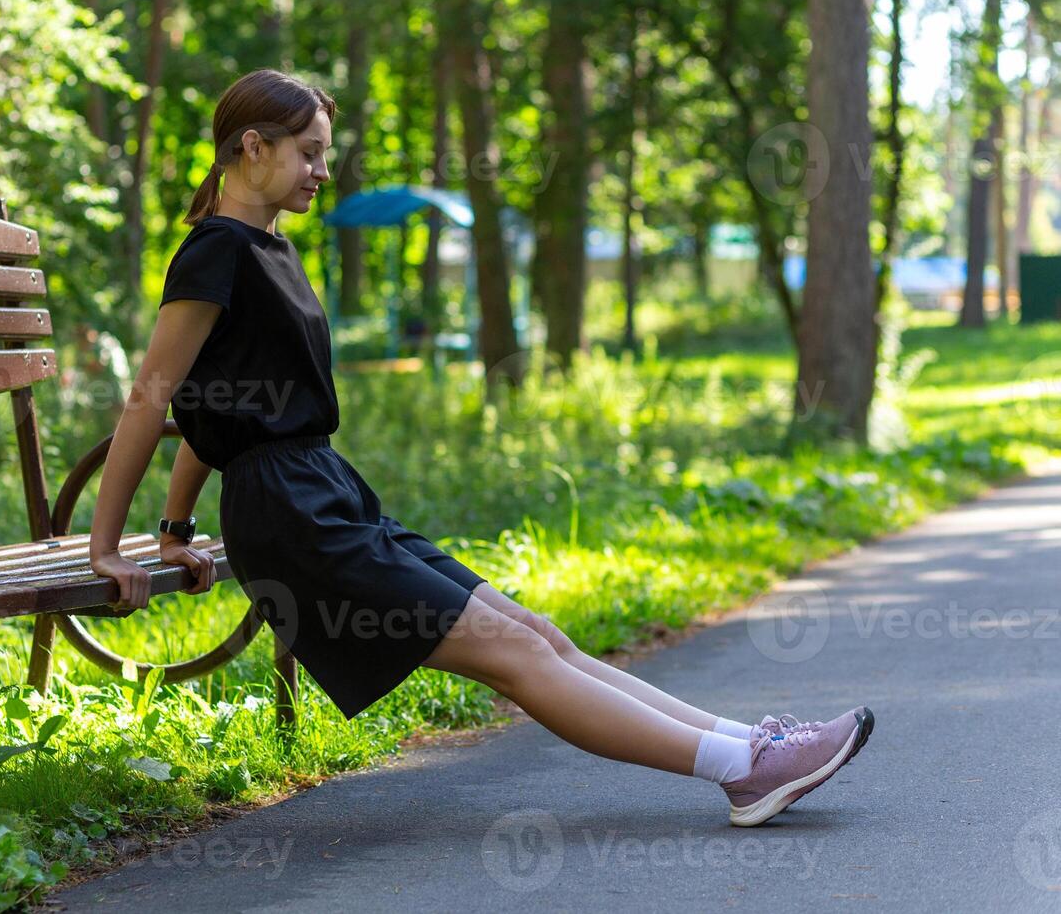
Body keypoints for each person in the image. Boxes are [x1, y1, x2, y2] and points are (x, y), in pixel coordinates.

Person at [86, 67, 874, 827]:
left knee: (537, 633)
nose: (323, 170)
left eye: (325, 152)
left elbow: (218, 405)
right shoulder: (215, 251)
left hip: (326, 493)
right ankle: (740, 774)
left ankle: (751, 744)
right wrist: (105, 547)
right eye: (311, 152)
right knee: (513, 656)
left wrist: (176, 529)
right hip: (293, 519)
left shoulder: (272, 252)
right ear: (252, 148)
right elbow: (153, 399)